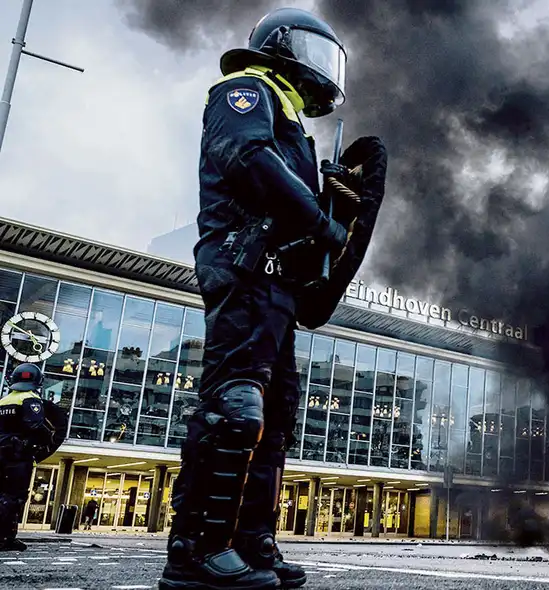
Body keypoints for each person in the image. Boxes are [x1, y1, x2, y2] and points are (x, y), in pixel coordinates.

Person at [161, 7, 387, 590]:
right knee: (233, 410)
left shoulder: (292, 121)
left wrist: (338, 199)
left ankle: (251, 542)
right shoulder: (246, 89)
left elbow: (285, 192)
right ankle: (196, 551)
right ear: (281, 45)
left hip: (278, 284)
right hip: (244, 268)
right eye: (314, 50)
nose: (322, 68)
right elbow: (247, 160)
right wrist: (320, 217)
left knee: (273, 420)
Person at [0, 363, 52, 551]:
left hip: (2, 451)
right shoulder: (30, 399)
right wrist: (47, 438)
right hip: (17, 454)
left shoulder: (4, 400)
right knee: (13, 496)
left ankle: (7, 538)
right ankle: (4, 537)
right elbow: (35, 426)